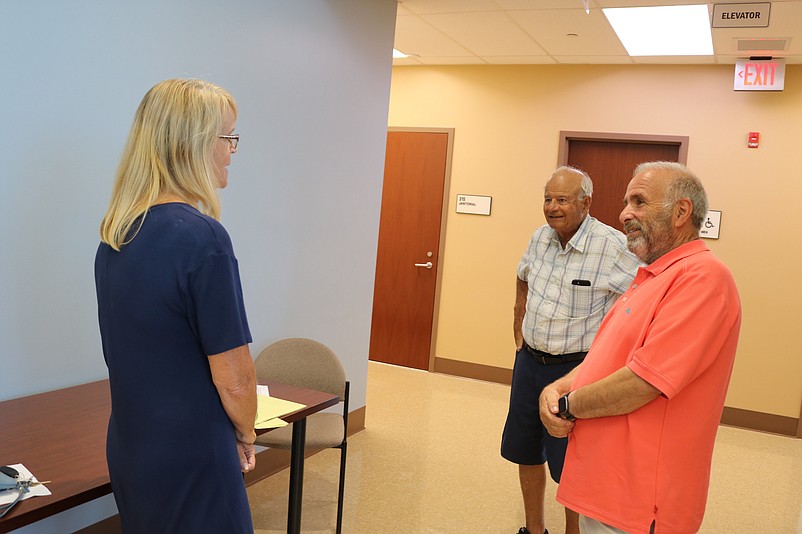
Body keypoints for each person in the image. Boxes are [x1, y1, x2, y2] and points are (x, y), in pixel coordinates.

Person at [540, 161, 741, 534]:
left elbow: (643, 383)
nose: (624, 214)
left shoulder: (703, 278)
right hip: (604, 486)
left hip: (641, 501)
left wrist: (567, 407)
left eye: (639, 202)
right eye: (626, 201)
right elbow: (605, 360)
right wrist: (558, 387)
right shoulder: (649, 276)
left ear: (681, 211)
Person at [94, 79, 257, 533]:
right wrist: (246, 432)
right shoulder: (202, 238)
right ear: (197, 144)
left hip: (133, 445)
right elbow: (236, 377)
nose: (232, 150)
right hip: (193, 450)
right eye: (228, 137)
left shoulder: (116, 236)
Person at [501, 166, 642, 534]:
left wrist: (616, 356)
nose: (552, 207)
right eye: (547, 199)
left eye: (562, 199)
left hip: (575, 373)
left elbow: (642, 299)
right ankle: (534, 530)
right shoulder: (539, 238)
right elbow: (522, 275)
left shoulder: (611, 246)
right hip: (529, 363)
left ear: (586, 202)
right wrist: (519, 319)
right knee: (525, 451)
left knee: (572, 467)